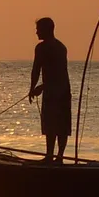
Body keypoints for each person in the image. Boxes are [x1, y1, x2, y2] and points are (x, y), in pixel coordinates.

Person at [28, 17, 72, 163]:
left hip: (56, 91)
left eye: (38, 29)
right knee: (60, 125)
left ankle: (51, 156)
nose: (36, 32)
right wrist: (34, 88)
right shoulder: (62, 47)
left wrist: (37, 87)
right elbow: (41, 71)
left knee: (54, 124)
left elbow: (38, 70)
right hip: (63, 90)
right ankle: (57, 157)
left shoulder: (43, 48)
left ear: (47, 30)